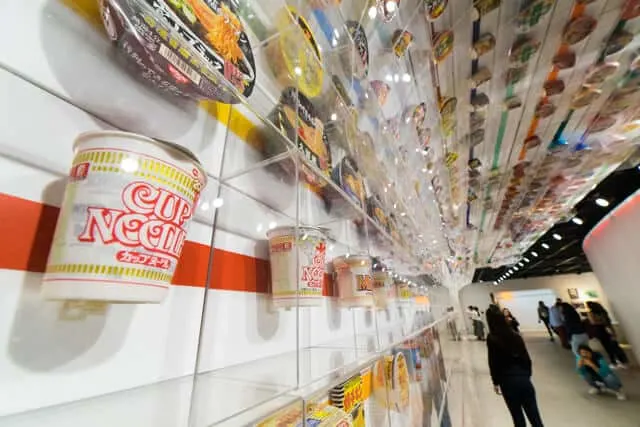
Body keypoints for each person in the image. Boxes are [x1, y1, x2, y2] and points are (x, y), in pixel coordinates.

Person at [486, 305, 544, 427]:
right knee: (535, 416)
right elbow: (526, 358)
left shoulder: (492, 338)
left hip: (507, 381)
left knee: (517, 417)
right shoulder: (515, 335)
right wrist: (526, 375)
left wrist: (495, 381)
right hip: (523, 379)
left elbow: (493, 361)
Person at [586, 301, 629, 368]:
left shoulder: (591, 313)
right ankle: (623, 361)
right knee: (615, 346)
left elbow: (593, 322)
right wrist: (613, 332)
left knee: (608, 348)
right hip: (608, 329)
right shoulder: (603, 312)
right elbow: (608, 322)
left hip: (600, 331)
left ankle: (614, 363)